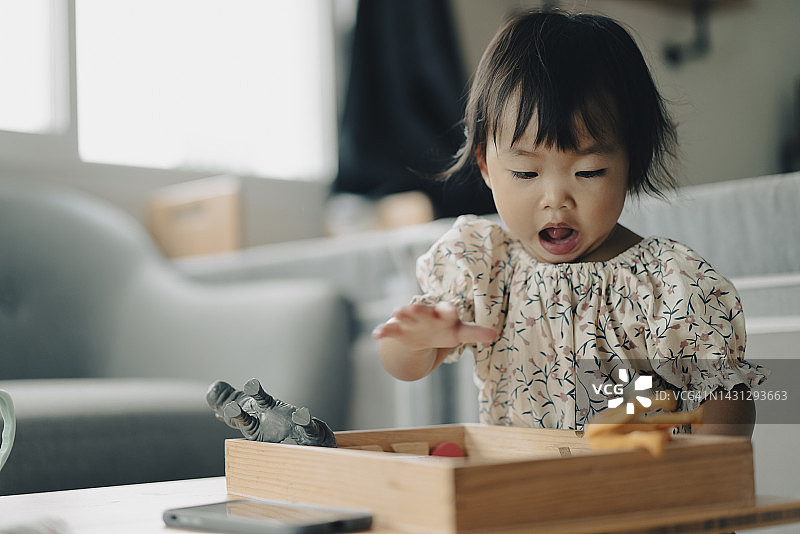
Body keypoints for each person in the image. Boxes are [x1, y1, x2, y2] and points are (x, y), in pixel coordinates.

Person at [372, 10, 768, 437]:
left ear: (630, 165)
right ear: (486, 167)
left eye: (589, 172)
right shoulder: (486, 270)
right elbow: (406, 366)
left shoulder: (667, 284)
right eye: (525, 174)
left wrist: (708, 467)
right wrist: (413, 338)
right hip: (522, 491)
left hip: (639, 492)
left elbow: (726, 393)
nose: (555, 199)